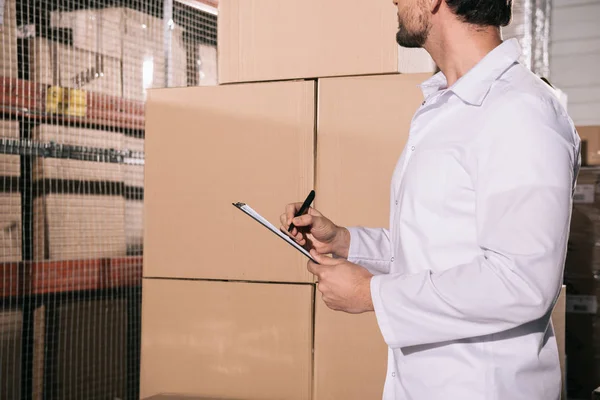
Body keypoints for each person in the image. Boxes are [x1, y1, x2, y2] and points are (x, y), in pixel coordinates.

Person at [280, 0, 581, 399]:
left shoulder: (520, 111)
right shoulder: (447, 105)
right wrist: (343, 242)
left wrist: (372, 293)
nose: (395, 1)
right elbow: (438, 249)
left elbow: (521, 280)